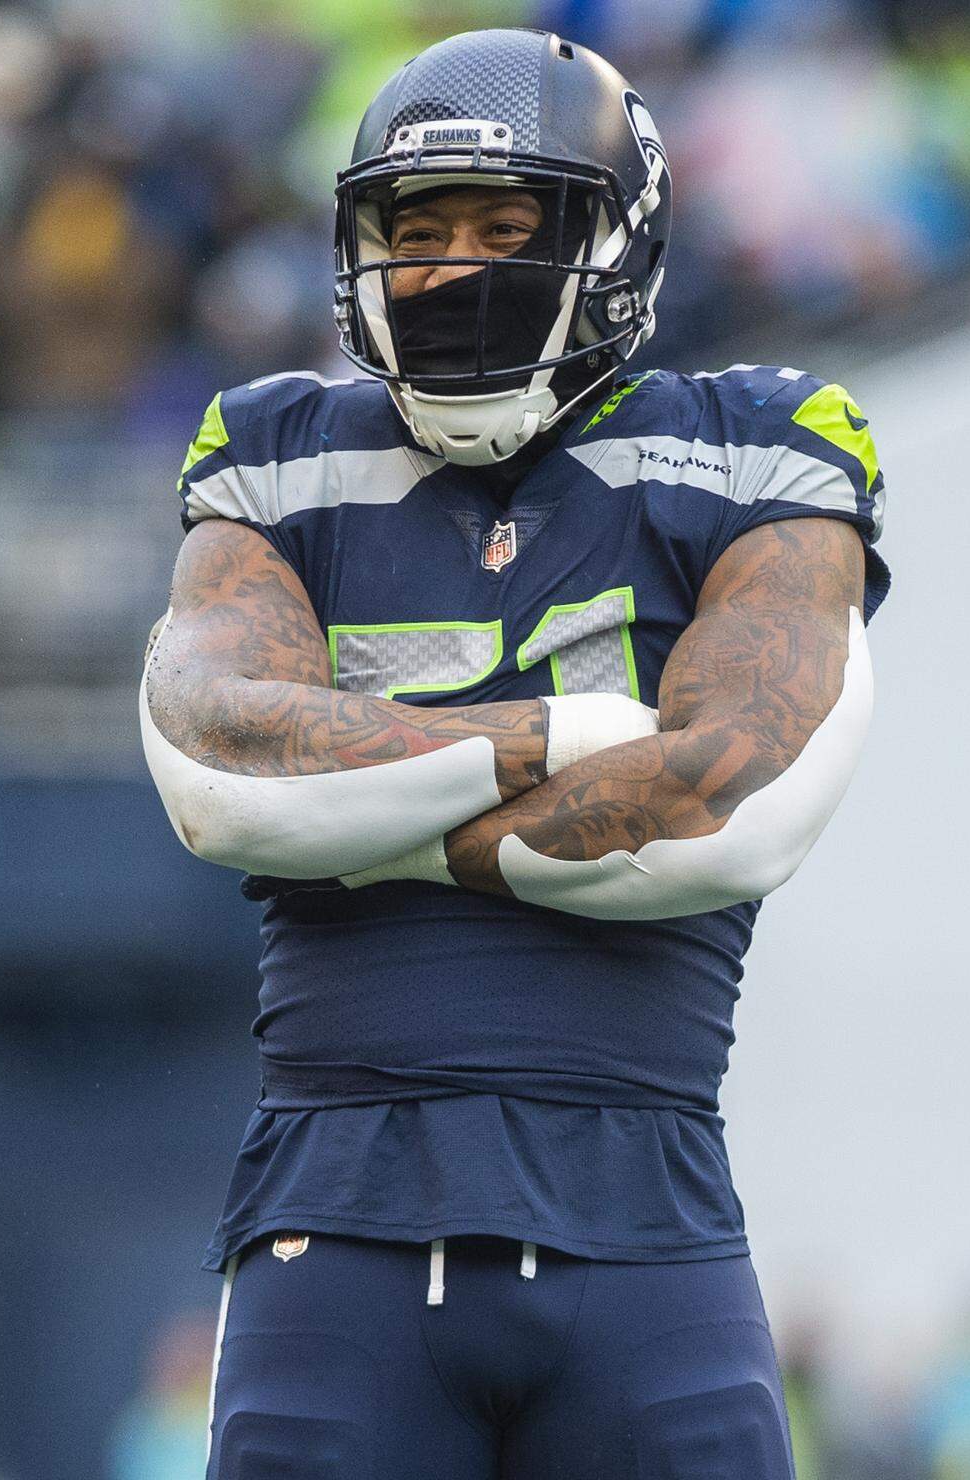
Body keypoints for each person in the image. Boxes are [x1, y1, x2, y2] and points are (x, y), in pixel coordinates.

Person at [141, 27, 890, 1479]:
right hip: (332, 1220)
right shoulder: (277, 448)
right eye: (417, 230)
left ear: (615, 244)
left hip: (646, 1211)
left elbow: (733, 806)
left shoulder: (762, 441)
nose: (456, 267)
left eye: (509, 225)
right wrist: (561, 733)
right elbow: (214, 769)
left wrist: (373, 814)